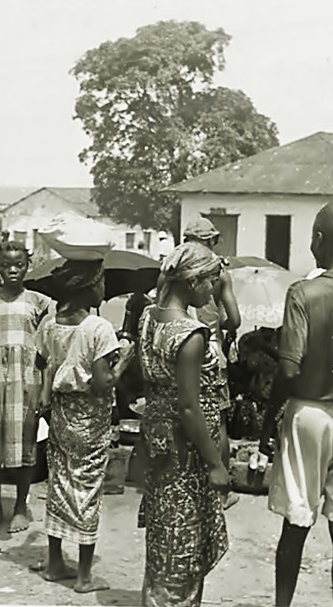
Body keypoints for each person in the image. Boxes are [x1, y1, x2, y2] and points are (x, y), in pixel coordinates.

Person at [138, 241, 230, 606]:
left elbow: (153, 386)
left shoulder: (149, 318)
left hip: (160, 443)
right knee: (185, 544)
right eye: (210, 282)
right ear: (192, 282)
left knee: (165, 537)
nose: (212, 291)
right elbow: (189, 407)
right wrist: (215, 465)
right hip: (187, 451)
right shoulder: (190, 335)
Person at [34, 258, 130, 593]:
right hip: (90, 418)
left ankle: (55, 561)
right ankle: (84, 575)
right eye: (102, 282)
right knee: (86, 487)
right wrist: (125, 362)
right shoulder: (98, 329)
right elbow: (104, 383)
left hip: (60, 414)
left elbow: (42, 362)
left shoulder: (49, 323)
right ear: (88, 287)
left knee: (60, 483)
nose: (105, 289)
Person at [256, 202, 333, 607]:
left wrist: (269, 423)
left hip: (310, 412)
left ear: (319, 240)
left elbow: (288, 370)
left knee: (298, 519)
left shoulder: (303, 293)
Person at [0, 240, 50, 534]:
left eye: (19, 265)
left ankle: (19, 507)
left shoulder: (39, 303)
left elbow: (45, 349)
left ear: (28, 266)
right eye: (6, 265)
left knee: (25, 443)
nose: (13, 270)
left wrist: (44, 389)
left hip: (27, 379)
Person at [183, 216, 242, 510]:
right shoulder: (219, 273)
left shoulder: (175, 271)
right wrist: (221, 325)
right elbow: (236, 319)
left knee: (186, 413)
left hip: (179, 344)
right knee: (217, 420)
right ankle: (221, 492)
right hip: (210, 349)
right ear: (210, 242)